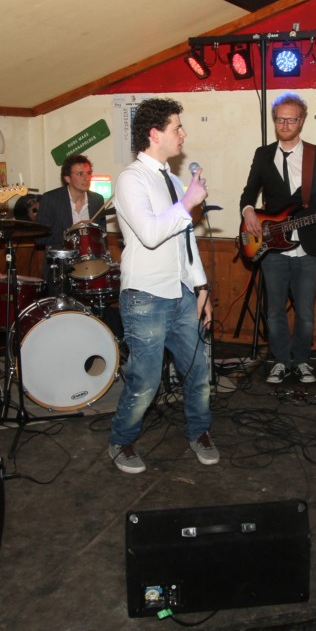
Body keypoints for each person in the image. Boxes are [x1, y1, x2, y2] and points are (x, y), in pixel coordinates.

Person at [106, 98, 216, 474]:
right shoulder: (131, 179)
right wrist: (187, 202)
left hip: (181, 292)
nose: (183, 133)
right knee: (146, 381)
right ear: (155, 134)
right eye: (176, 127)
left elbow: (185, 241)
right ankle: (121, 440)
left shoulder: (172, 179)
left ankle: (199, 432)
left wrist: (201, 288)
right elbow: (151, 234)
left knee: (199, 370)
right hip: (145, 296)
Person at [239, 93, 316, 386]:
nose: (285, 125)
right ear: (274, 120)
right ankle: (281, 361)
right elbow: (249, 193)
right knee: (274, 312)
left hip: (307, 246)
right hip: (271, 245)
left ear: (302, 121)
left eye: (291, 119)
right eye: (280, 119)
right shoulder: (263, 154)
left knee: (305, 313)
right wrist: (248, 211)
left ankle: (302, 361)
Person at [35, 154, 106, 288]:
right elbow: (40, 238)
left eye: (89, 173)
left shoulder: (97, 200)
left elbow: (103, 237)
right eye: (80, 174)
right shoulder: (51, 199)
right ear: (67, 178)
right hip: (59, 269)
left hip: (89, 269)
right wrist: (72, 231)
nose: (86, 178)